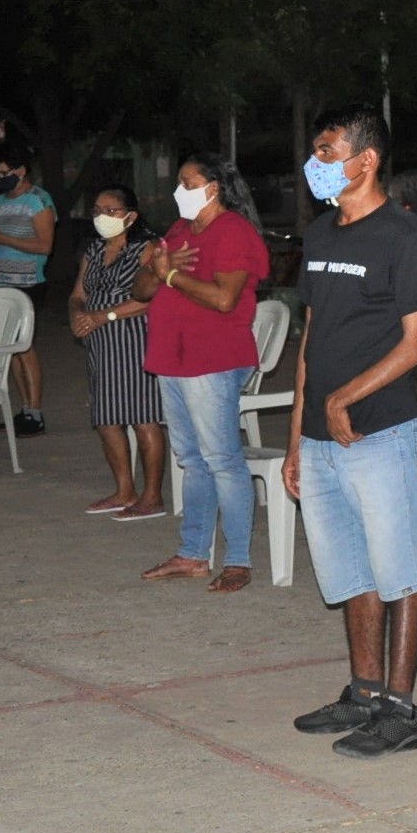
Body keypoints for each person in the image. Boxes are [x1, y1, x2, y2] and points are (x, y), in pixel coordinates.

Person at [286, 106, 417, 758]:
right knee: (350, 571)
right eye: (317, 151)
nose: (317, 163)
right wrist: (299, 432)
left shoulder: (403, 237)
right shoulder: (322, 234)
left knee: (397, 570)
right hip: (322, 439)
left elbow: (416, 345)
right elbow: (310, 336)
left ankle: (403, 710)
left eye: (327, 151)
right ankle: (364, 691)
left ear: (366, 159)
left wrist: (347, 396)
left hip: (379, 431)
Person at [131, 155, 271, 592]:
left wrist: (169, 273)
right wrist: (155, 269)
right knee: (192, 461)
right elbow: (140, 288)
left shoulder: (233, 232)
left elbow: (224, 298)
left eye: (187, 182)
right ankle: (193, 553)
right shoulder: (177, 231)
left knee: (222, 460)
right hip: (173, 358)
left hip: (213, 359)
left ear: (213, 188)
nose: (179, 190)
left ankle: (238, 560)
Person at [68, 184, 167, 520]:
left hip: (134, 339)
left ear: (131, 215)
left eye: (110, 210)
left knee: (143, 418)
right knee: (107, 419)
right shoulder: (94, 250)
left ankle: (152, 496)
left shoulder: (147, 248)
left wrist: (102, 315)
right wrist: (77, 315)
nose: (101, 216)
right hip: (100, 343)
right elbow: (78, 293)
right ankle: (124, 490)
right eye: (97, 210)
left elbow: (151, 298)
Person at [0, 142, 56, 436]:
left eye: (4, 172)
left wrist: (1, 237)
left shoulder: (39, 201)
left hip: (27, 283)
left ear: (21, 170)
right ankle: (23, 412)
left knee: (25, 347)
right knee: (11, 350)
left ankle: (35, 412)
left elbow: (44, 246)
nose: (0, 177)